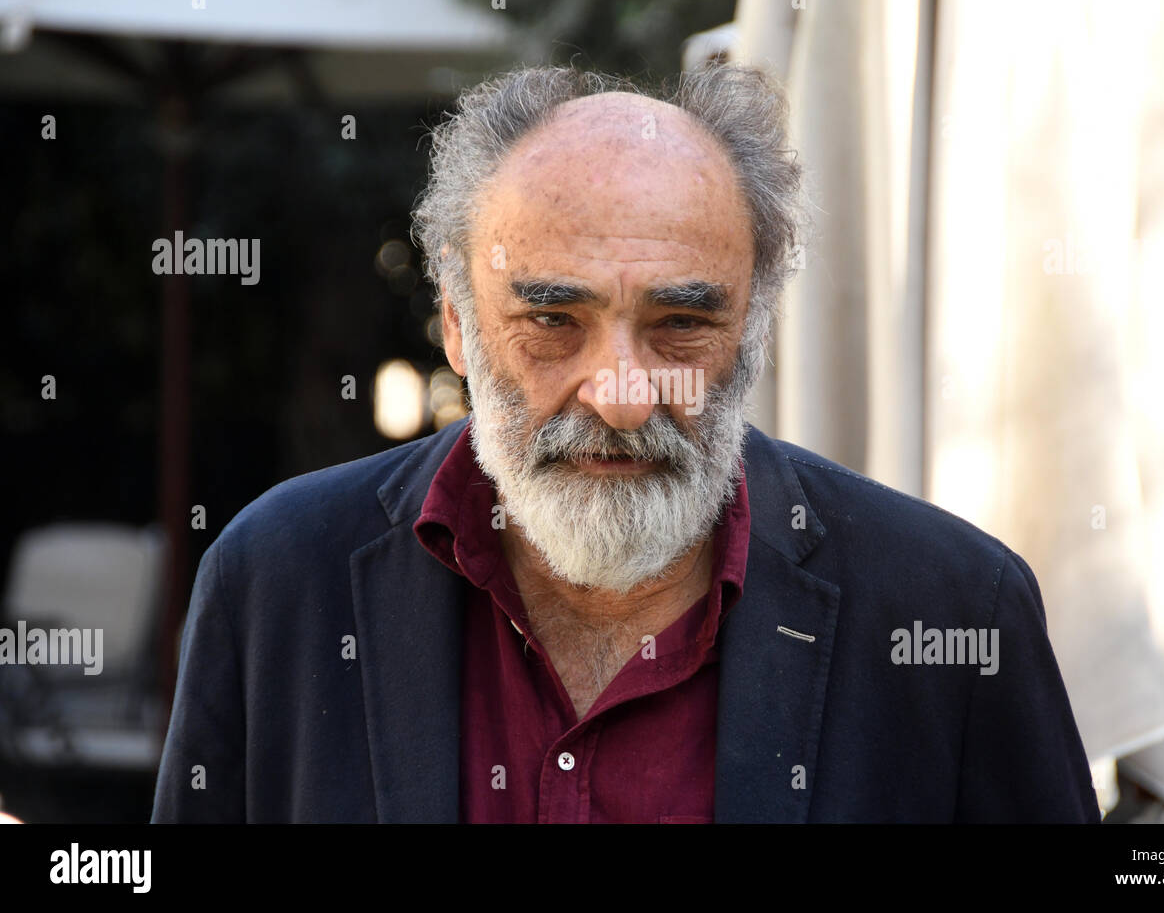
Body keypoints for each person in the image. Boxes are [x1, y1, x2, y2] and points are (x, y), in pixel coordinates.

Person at [152, 64, 1099, 823]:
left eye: (681, 325)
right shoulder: (276, 581)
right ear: (455, 326)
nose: (619, 396)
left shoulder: (954, 609)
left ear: (755, 332)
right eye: (553, 321)